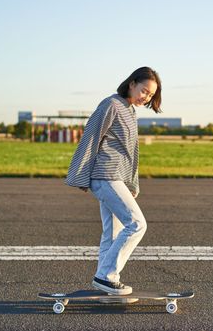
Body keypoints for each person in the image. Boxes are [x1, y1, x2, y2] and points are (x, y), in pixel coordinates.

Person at [65, 66, 162, 295]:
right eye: (144, 91)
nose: (145, 97)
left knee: (112, 233)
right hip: (105, 175)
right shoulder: (111, 104)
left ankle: (103, 281)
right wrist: (80, 174)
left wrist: (132, 183)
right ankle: (107, 276)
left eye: (150, 95)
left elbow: (131, 151)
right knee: (137, 224)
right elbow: (91, 137)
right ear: (132, 83)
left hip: (117, 178)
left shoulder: (129, 110)